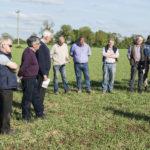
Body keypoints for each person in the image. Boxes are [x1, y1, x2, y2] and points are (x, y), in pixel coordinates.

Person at [18, 36, 44, 121]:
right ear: (33, 44)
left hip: (32, 78)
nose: (40, 45)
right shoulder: (28, 53)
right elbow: (23, 67)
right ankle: (26, 117)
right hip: (28, 79)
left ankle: (39, 114)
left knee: (36, 96)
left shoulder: (32, 52)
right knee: (27, 98)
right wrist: (19, 75)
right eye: (38, 43)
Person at [0, 37, 18, 134]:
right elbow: (14, 66)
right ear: (3, 45)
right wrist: (14, 66)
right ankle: (5, 130)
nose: (11, 47)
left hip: (4, 85)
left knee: (3, 107)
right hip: (5, 86)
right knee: (6, 109)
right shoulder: (2, 57)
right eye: (10, 45)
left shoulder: (5, 56)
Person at [36, 30, 52, 112]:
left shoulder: (42, 44)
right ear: (46, 37)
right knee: (41, 91)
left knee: (42, 90)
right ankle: (39, 109)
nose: (51, 39)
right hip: (42, 73)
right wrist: (45, 74)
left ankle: (39, 107)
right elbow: (41, 60)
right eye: (50, 37)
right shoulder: (41, 45)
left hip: (43, 72)